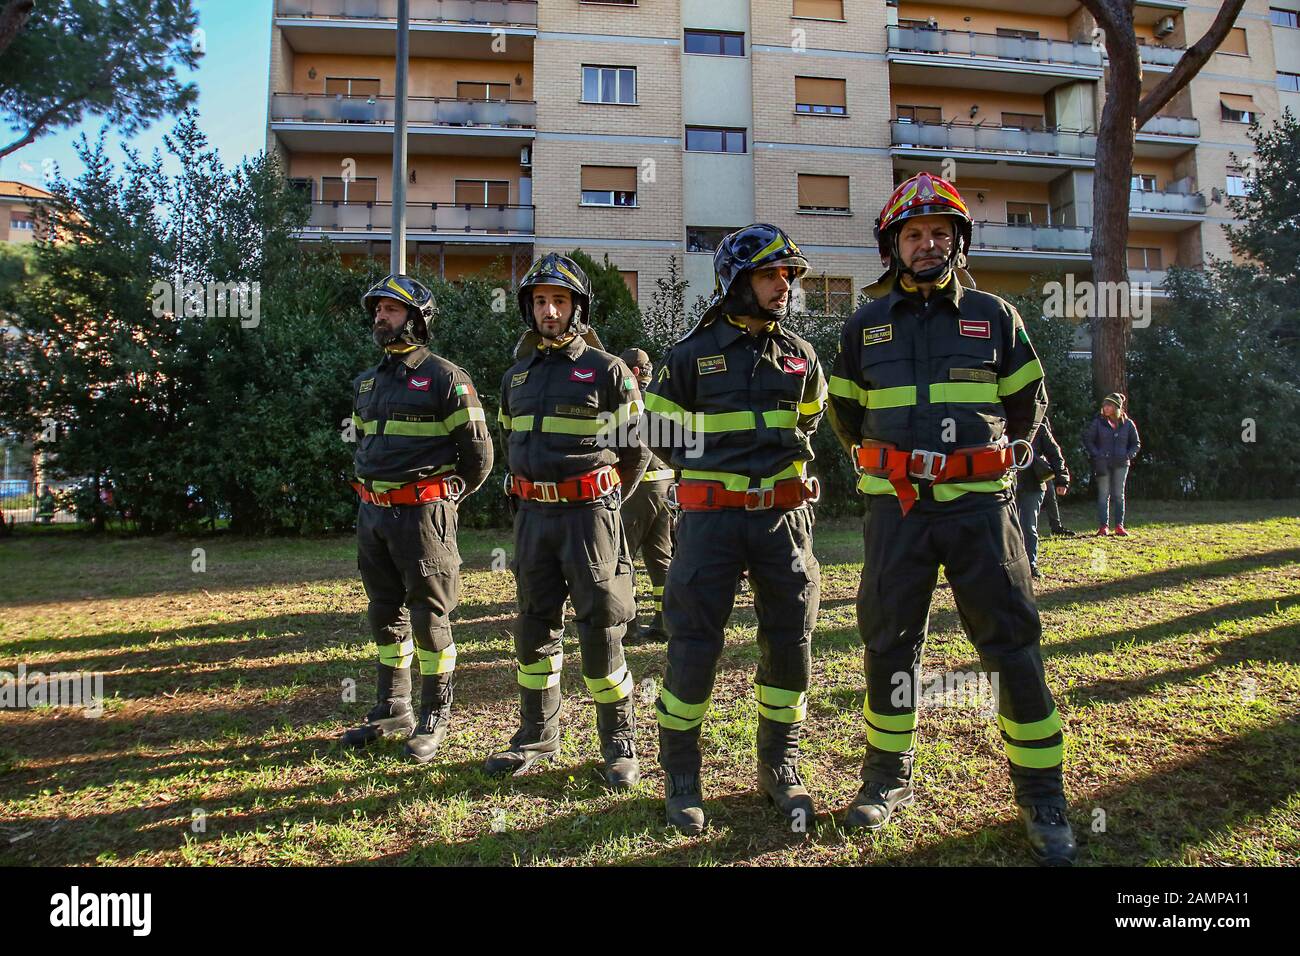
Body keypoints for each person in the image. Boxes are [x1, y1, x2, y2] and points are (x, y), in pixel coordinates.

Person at [827, 172, 1076, 865]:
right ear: (893, 246)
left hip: (981, 509)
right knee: (887, 643)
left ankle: (1042, 796)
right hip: (897, 512)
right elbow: (844, 415)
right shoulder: (862, 325)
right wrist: (887, 469)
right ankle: (884, 780)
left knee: (1011, 644)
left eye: (941, 232)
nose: (928, 242)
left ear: (958, 242)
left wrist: (1012, 456)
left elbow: (1030, 402)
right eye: (915, 233)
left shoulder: (998, 317)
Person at [644, 223, 827, 834]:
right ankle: (682, 776)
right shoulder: (688, 356)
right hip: (709, 524)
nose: (784, 287)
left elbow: (810, 424)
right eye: (772, 275)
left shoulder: (802, 356)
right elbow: (661, 436)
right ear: (735, 280)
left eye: (789, 277)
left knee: (791, 642)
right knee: (694, 646)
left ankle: (780, 764)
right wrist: (724, 465)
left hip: (783, 524)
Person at [487, 253, 650, 789]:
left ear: (576, 307)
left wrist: (606, 505)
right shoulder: (516, 376)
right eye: (540, 301)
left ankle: (619, 742)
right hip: (534, 518)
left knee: (601, 625)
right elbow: (512, 445)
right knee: (535, 624)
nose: (549, 311)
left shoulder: (608, 371)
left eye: (559, 301)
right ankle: (536, 735)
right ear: (528, 309)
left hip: (589, 519)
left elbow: (636, 452)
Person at [342, 274, 494, 763]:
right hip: (374, 516)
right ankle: (392, 706)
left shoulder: (448, 378)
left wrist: (446, 500)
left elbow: (479, 456)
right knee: (385, 613)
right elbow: (365, 445)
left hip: (424, 516)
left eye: (391, 309)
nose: (380, 317)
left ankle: (435, 715)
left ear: (418, 318)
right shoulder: (366, 382)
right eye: (378, 310)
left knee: (431, 617)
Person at [617, 347, 674, 644]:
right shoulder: (661, 397)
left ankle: (629, 627)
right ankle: (666, 624)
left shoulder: (628, 398)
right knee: (661, 558)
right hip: (665, 488)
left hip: (637, 490)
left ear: (634, 372)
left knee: (623, 556)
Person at [1015, 418, 1071, 579]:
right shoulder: (1004, 424)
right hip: (1008, 485)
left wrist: (1062, 479)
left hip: (1032, 484)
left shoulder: (1039, 428)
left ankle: (1030, 565)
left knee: (1028, 526)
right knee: (1008, 528)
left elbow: (1055, 454)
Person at [1084, 393, 1140, 537]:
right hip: (1103, 463)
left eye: (1109, 405)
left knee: (1119, 495)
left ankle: (1119, 526)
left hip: (1121, 463)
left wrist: (1128, 455)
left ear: (1116, 407)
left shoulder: (1128, 424)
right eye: (1104, 405)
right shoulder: (1098, 422)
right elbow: (1088, 440)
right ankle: (1103, 526)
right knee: (1103, 495)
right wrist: (1097, 454)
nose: (1105, 408)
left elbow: (1136, 443)